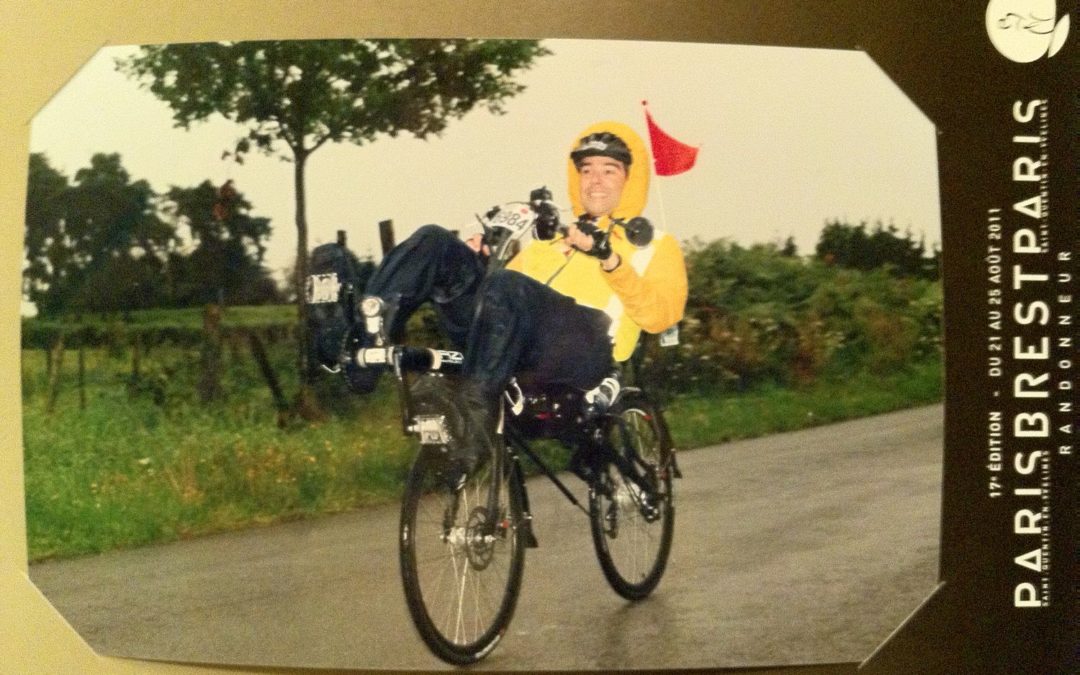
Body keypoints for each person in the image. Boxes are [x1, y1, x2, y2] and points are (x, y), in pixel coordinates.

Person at [342, 121, 687, 477]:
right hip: (517, 347)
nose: (595, 180)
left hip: (589, 350)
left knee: (508, 285)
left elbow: (661, 316)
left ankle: (474, 425)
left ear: (630, 178)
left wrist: (608, 259)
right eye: (586, 170)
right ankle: (365, 342)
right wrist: (477, 262)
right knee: (435, 243)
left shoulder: (657, 245)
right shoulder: (551, 243)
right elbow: (501, 298)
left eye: (609, 170)